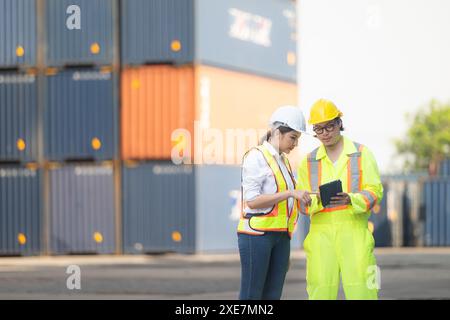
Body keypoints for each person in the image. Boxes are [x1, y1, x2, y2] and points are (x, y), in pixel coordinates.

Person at [297, 99, 383, 300]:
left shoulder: (361, 154)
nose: (325, 133)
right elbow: (301, 203)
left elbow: (375, 191)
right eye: (318, 129)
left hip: (354, 233)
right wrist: (314, 200)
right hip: (320, 236)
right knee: (320, 291)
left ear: (339, 124)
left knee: (363, 291)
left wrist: (351, 199)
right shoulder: (308, 162)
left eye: (329, 126)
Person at [237, 105, 312, 300]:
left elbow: (287, 202)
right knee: (252, 295)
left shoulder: (284, 161)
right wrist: (289, 193)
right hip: (257, 236)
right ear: (277, 132)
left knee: (273, 296)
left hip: (281, 237)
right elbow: (252, 201)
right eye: (293, 138)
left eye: (297, 139)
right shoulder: (255, 156)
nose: (295, 144)